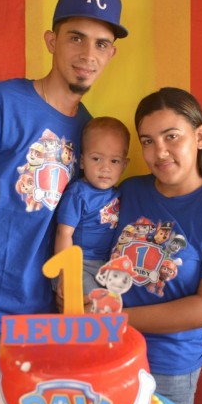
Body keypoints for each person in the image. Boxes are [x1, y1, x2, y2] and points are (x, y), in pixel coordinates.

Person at [0, 0, 128, 404]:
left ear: (111, 54)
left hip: (48, 320)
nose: (88, 54)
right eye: (76, 37)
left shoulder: (92, 133)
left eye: (101, 44)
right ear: (51, 40)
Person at [112, 87, 202, 404]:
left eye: (171, 137)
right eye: (148, 141)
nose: (159, 151)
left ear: (200, 136)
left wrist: (113, 320)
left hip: (167, 369)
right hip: (108, 356)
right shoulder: (129, 191)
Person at [53, 116, 130, 300]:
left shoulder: (118, 193)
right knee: (95, 303)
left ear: (124, 165)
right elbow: (63, 233)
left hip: (105, 266)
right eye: (96, 159)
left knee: (114, 302)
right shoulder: (79, 193)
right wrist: (65, 273)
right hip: (78, 265)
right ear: (82, 161)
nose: (105, 168)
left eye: (114, 161)